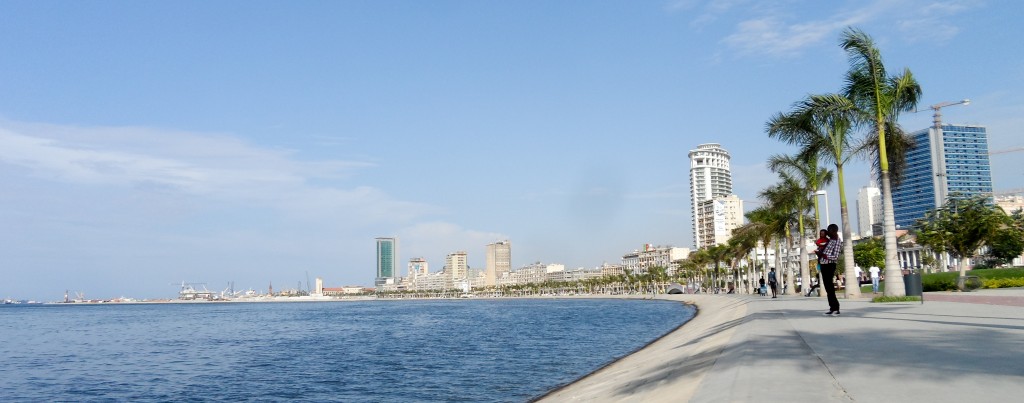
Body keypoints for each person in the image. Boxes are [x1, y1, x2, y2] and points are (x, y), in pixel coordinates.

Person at [815, 223, 843, 316]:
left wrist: (822, 255)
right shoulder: (830, 240)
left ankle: (836, 308)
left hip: (830, 265)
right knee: (827, 288)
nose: (828, 233)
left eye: (830, 231)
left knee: (830, 287)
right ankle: (832, 307)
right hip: (823, 264)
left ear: (834, 231)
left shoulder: (837, 241)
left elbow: (835, 256)